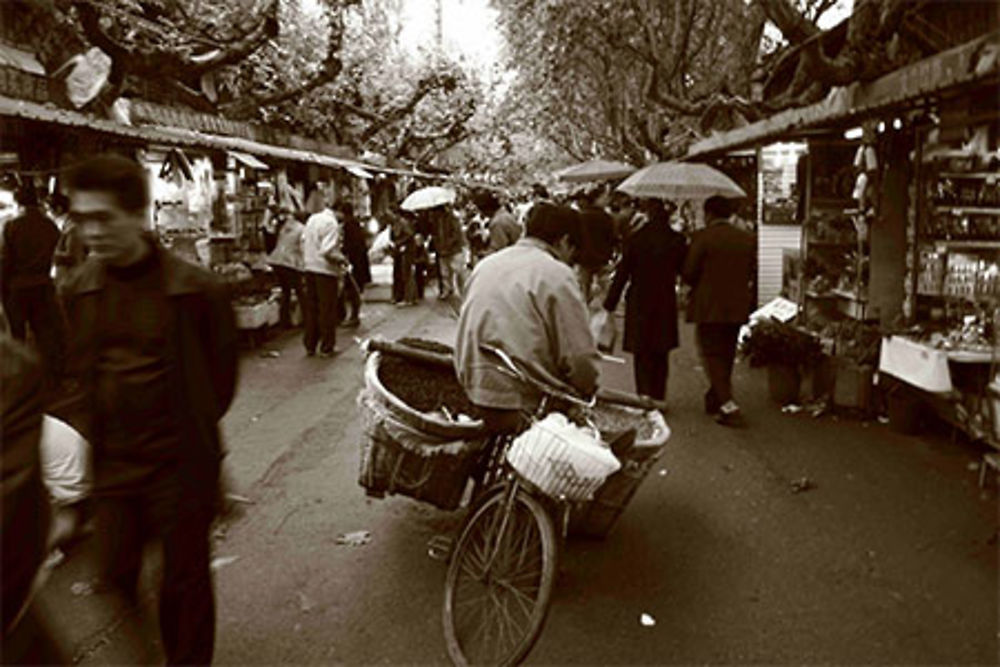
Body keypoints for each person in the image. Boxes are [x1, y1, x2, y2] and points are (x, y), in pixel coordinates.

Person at [59, 154, 238, 665]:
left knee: (184, 587)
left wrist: (192, 426)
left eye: (104, 217)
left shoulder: (197, 290)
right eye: (82, 217)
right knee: (114, 574)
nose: (92, 231)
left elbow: (220, 382)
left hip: (179, 465)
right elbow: (82, 372)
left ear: (138, 215)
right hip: (114, 466)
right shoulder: (79, 289)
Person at [455, 202, 600, 435]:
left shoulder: (485, 265)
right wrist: (587, 388)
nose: (571, 260)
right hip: (525, 399)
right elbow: (580, 357)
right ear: (563, 241)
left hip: (475, 388)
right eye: (573, 252)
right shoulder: (557, 274)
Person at [602, 199, 687, 403]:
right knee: (661, 350)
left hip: (639, 298)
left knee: (642, 350)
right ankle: (659, 395)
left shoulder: (636, 239)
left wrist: (610, 304)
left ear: (648, 214)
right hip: (665, 298)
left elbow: (622, 274)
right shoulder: (677, 240)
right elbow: (685, 270)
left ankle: (644, 394)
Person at [683, 195, 755, 427]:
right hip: (736, 303)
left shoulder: (703, 238)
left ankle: (728, 405)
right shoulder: (746, 238)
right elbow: (751, 270)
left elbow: (689, 273)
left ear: (709, 213)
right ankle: (717, 395)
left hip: (709, 304)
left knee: (711, 353)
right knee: (726, 351)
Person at [1, 182, 64, 385]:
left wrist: (2, 288)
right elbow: (56, 249)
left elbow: (5, 260)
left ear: (18, 202)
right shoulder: (50, 225)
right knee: (45, 335)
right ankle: (51, 379)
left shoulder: (11, 225)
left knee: (17, 337)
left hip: (17, 288)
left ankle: (21, 382)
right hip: (43, 286)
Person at [301, 192, 346, 357]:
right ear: (338, 211)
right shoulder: (331, 223)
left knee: (312, 308)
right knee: (327, 309)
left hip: (309, 268)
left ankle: (310, 345)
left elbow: (303, 241)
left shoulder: (312, 219)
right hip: (325, 271)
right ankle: (327, 347)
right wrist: (342, 259)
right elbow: (327, 250)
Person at [574, 185, 618, 304]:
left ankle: (584, 315)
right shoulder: (607, 218)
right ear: (597, 198)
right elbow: (613, 238)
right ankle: (606, 316)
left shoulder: (580, 216)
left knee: (583, 291)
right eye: (605, 197)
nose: (607, 199)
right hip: (602, 258)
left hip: (584, 258)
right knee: (606, 292)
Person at [266, 207, 305, 329]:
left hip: (276, 261)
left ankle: (284, 321)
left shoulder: (285, 226)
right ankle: (307, 320)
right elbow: (303, 248)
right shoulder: (302, 229)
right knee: (300, 291)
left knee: (286, 292)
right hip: (290, 263)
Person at [336, 202, 371, 328]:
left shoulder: (349, 226)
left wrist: (343, 251)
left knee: (353, 290)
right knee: (353, 290)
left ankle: (354, 316)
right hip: (358, 262)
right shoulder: (354, 224)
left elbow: (352, 246)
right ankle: (352, 316)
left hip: (355, 263)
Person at [430, 204, 467, 300]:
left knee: (458, 271)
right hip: (442, 249)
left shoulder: (452, 219)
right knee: (444, 272)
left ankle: (463, 290)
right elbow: (435, 234)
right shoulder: (435, 221)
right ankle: (447, 289)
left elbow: (456, 234)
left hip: (454, 249)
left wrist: (447, 244)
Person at [389, 208, 418, 305]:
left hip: (406, 251)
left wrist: (399, 242)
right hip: (399, 251)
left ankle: (408, 297)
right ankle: (399, 296)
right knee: (398, 273)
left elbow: (409, 235)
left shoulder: (403, 223)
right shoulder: (394, 224)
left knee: (405, 273)